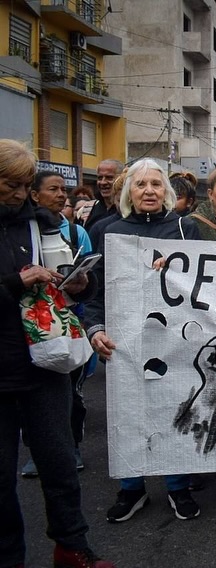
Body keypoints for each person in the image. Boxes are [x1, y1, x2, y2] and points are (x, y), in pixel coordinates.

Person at [0, 139, 115, 568]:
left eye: (24, 185)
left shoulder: (47, 224)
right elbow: (20, 284)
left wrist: (81, 284)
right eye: (10, 184)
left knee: (61, 466)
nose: (18, 194)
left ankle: (72, 547)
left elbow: (68, 281)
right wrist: (17, 282)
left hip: (45, 366)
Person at [85, 159, 202, 525]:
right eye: (141, 185)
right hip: (124, 342)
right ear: (128, 192)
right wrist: (95, 328)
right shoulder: (106, 230)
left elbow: (205, 282)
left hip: (174, 340)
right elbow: (92, 292)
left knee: (175, 410)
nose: (149, 191)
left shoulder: (186, 230)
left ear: (166, 192)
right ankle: (131, 488)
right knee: (129, 413)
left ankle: (177, 485)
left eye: (156, 184)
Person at [21, 170, 95, 477]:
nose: (62, 195)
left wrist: (83, 282)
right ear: (35, 195)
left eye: (64, 189)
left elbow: (93, 281)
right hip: (33, 328)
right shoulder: (22, 231)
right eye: (54, 189)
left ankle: (71, 446)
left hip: (68, 321)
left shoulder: (77, 232)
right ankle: (38, 451)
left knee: (70, 392)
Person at [83, 159, 123, 230]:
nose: (103, 182)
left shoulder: (130, 211)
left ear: (122, 180)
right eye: (100, 178)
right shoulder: (86, 211)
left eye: (109, 178)